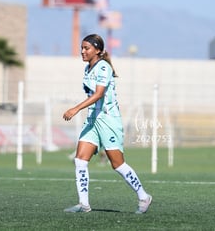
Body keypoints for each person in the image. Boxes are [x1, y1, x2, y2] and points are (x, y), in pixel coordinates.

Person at [63, 34, 152, 214]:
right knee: (80, 160)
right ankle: (84, 204)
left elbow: (99, 94)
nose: (82, 51)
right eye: (82, 48)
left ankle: (144, 196)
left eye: (86, 48)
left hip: (108, 120)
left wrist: (75, 109)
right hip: (93, 120)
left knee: (117, 164)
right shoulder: (88, 68)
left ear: (97, 50)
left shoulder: (103, 67)